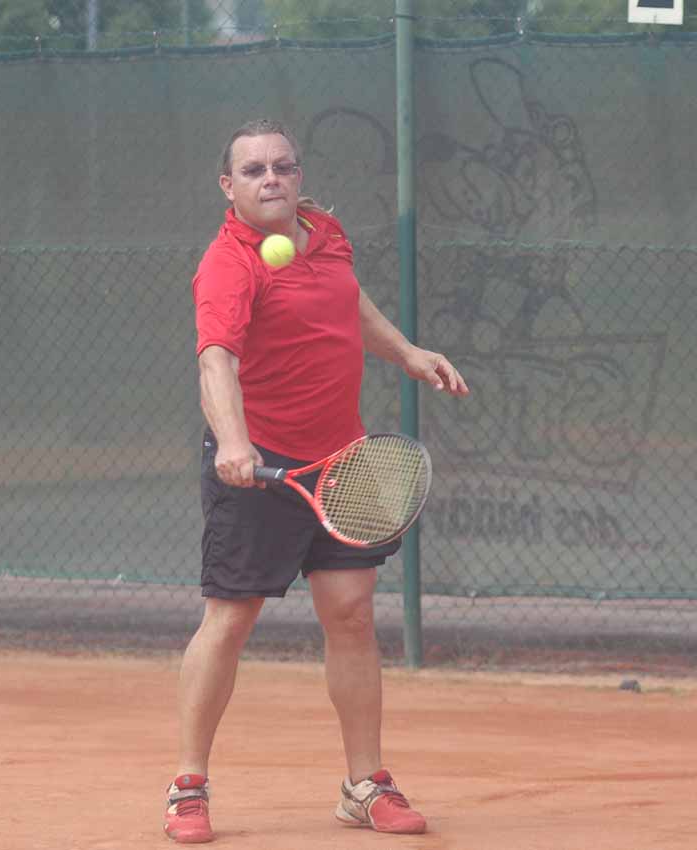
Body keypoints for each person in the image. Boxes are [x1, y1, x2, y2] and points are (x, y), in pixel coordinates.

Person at [165, 119, 469, 844]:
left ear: (299, 175)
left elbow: (349, 304)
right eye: (254, 170)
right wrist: (234, 442)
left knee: (352, 615)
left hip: (343, 460)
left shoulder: (325, 233)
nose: (271, 178)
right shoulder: (228, 264)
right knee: (230, 620)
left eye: (283, 166)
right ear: (228, 186)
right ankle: (187, 786)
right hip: (261, 465)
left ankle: (365, 786)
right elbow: (215, 360)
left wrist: (406, 351)